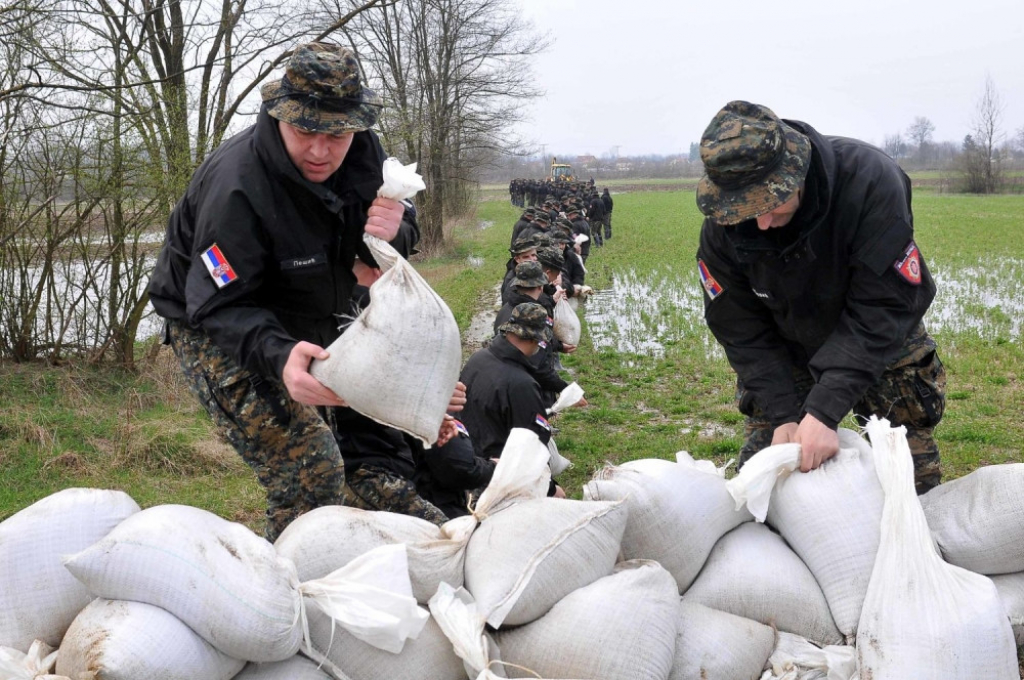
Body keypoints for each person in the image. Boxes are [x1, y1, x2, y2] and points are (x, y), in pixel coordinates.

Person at [149, 42, 430, 541]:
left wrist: (397, 232)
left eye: (337, 134)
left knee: (359, 444)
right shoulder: (236, 188)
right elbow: (218, 303)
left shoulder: (365, 154)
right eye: (305, 131)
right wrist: (280, 357)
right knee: (310, 470)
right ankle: (287, 578)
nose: (321, 151)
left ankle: (355, 544)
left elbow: (386, 240)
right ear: (280, 115)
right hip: (215, 321)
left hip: (309, 304)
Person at [695, 100, 945, 494]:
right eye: (746, 208)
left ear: (796, 171)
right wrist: (783, 414)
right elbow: (740, 328)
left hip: (878, 332)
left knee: (908, 477)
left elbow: (883, 304)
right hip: (786, 342)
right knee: (767, 480)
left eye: (770, 201)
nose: (762, 222)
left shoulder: (869, 181)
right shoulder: (722, 230)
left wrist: (825, 409)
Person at [459, 302, 565, 497]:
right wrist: (550, 488)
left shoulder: (478, 358)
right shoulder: (521, 384)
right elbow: (531, 444)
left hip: (468, 461)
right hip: (500, 474)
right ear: (535, 339)